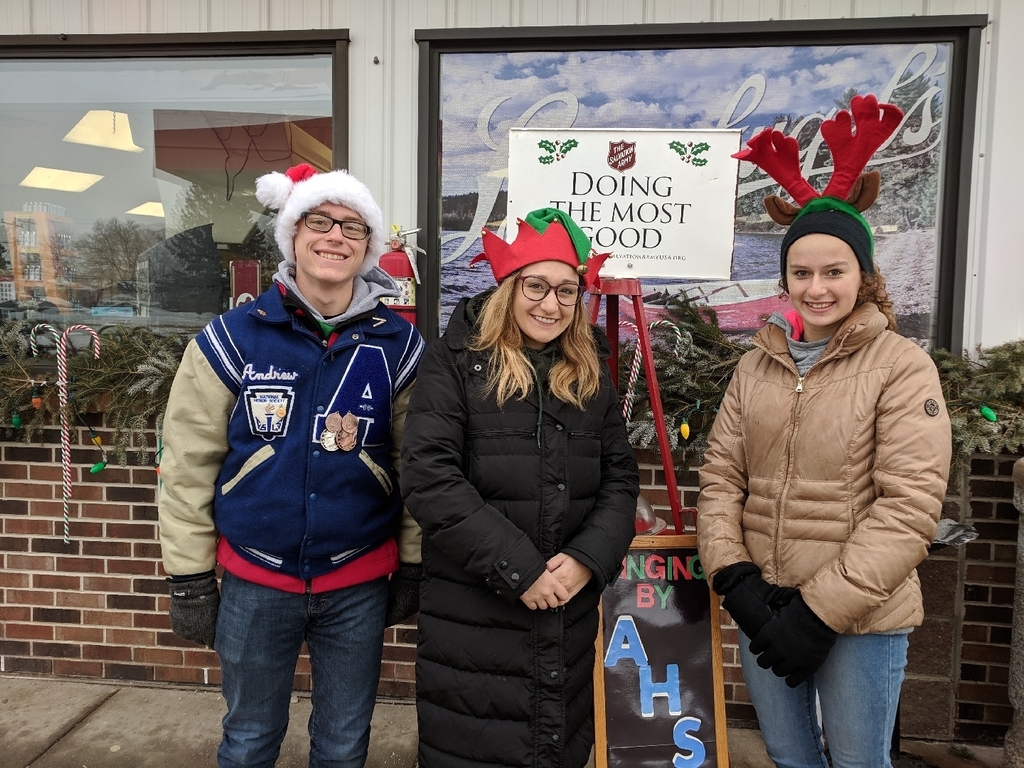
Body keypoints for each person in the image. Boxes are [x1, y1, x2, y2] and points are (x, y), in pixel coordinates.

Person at [697, 94, 953, 768]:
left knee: (858, 764)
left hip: (860, 619)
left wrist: (818, 613)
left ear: (862, 276)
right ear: (784, 278)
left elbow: (907, 510)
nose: (817, 288)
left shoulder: (901, 367)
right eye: (801, 272)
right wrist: (735, 578)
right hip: (765, 606)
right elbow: (721, 477)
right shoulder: (757, 365)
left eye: (834, 271)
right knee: (788, 756)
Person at [158, 162, 425, 768]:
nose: (336, 236)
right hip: (256, 581)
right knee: (249, 740)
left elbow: (418, 465)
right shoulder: (230, 339)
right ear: (292, 235)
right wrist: (189, 575)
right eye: (320, 221)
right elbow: (188, 464)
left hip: (357, 582)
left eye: (353, 228)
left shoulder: (401, 347)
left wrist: (414, 560)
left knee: (342, 745)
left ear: (368, 248)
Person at [400, 208, 640, 768]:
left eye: (565, 290)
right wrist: (520, 569)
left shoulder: (588, 371)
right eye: (535, 285)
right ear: (509, 287)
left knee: (558, 742)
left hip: (567, 610)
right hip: (476, 612)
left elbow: (619, 478)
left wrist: (587, 559)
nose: (550, 304)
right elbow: (429, 475)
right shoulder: (454, 363)